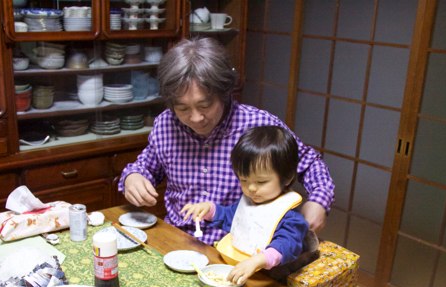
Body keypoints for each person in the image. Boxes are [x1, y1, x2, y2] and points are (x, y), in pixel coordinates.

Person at [119, 37, 334, 246]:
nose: (195, 118)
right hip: (177, 241)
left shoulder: (259, 126)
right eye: (183, 108)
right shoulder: (166, 124)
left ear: (224, 92)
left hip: (239, 247)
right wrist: (133, 177)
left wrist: (318, 201)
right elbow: (145, 167)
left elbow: (310, 162)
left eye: (205, 105)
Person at [181, 126, 311, 284]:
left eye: (261, 181)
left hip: (273, 280)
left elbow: (287, 245)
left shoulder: (290, 216)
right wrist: (208, 210)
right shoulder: (250, 202)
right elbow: (231, 217)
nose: (251, 188)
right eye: (244, 180)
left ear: (288, 177)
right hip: (242, 271)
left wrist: (257, 261)